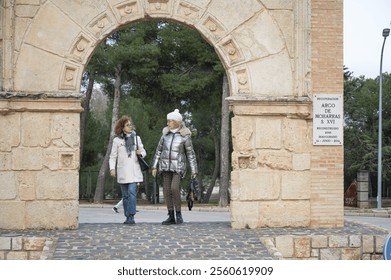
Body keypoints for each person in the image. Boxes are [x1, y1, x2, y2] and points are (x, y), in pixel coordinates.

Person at [151, 109, 198, 225]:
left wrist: (194, 169)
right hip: (165, 166)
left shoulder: (185, 136)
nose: (168, 123)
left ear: (177, 122)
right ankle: (171, 215)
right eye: (167, 121)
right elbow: (158, 151)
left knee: (174, 188)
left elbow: (191, 154)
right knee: (166, 191)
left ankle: (178, 213)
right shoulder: (164, 135)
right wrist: (154, 166)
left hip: (178, 167)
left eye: (170, 121)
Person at [109, 116, 146, 225]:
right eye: (127, 125)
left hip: (134, 171)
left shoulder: (136, 138)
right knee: (125, 196)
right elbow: (112, 156)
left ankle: (131, 216)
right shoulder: (116, 140)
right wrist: (112, 168)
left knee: (132, 193)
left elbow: (144, 152)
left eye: (131, 125)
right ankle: (127, 216)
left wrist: (141, 153)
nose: (130, 127)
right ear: (122, 127)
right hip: (123, 172)